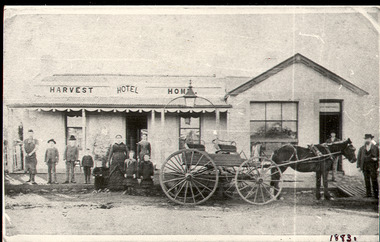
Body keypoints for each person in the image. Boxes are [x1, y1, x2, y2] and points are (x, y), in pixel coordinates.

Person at [357, 134, 379, 199]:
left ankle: (376, 194)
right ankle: (368, 193)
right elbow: (359, 157)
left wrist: (377, 159)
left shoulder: (375, 147)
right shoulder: (362, 148)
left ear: (371, 139)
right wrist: (359, 166)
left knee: (374, 179)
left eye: (368, 139)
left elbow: (379, 155)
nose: (367, 140)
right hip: (365, 165)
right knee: (366, 179)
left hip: (372, 165)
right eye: (366, 139)